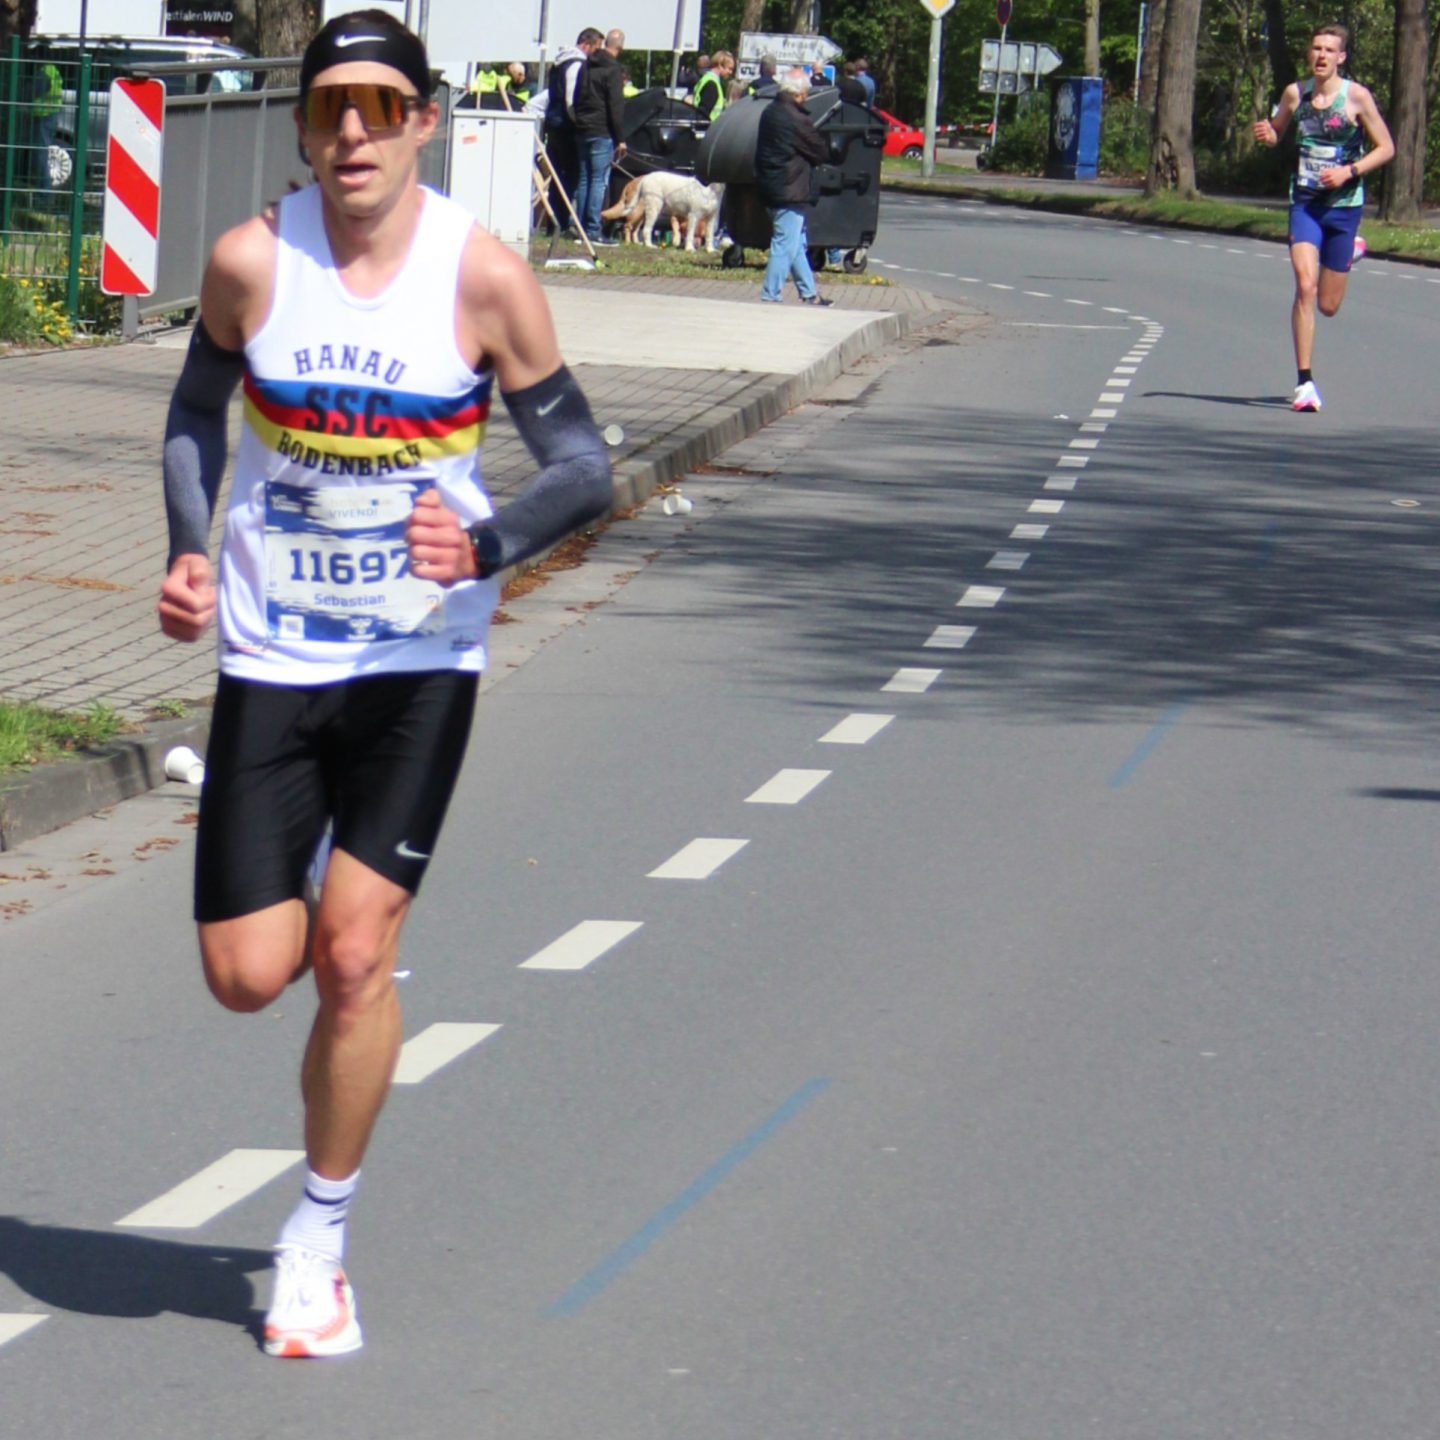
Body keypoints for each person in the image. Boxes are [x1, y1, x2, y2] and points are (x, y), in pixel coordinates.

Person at [155, 8, 612, 1358]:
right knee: (250, 976)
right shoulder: (251, 263)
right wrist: (189, 549)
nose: (352, 131)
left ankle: (320, 1240)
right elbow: (190, 412)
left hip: (420, 657)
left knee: (355, 956)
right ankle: (305, 878)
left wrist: (484, 539)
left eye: (379, 106)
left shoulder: (485, 282)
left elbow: (586, 466)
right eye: (329, 108)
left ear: (423, 122)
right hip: (274, 656)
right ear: (302, 128)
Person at [1252, 23, 1393, 413]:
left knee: (1329, 305)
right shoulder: (1295, 94)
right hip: (1306, 205)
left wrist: (1350, 171)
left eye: (1329, 50)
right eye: (1316, 48)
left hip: (1344, 207)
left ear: (1341, 58)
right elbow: (1277, 131)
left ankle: (1350, 251)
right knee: (1305, 286)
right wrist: (1267, 134)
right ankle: (1305, 383)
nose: (1320, 56)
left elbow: (1386, 148)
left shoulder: (1357, 98)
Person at [755, 66, 832, 307]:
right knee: (785, 244)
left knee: (796, 243)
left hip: (770, 183)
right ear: (800, 94)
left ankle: (809, 293)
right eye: (806, 92)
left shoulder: (770, 111)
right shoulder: (797, 119)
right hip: (791, 187)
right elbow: (820, 151)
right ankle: (771, 294)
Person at [543, 27, 602, 231]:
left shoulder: (559, 63)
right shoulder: (577, 65)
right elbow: (570, 98)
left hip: (553, 123)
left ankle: (554, 223)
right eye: (596, 48)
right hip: (565, 126)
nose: (596, 54)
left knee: (557, 177)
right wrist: (577, 122)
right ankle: (561, 221)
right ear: (586, 44)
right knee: (570, 176)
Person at [573, 27, 627, 246]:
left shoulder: (586, 65)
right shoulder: (613, 70)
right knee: (598, 180)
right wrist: (620, 137)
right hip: (602, 130)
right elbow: (615, 106)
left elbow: (577, 96)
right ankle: (594, 229)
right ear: (620, 47)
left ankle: (580, 227)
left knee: (584, 179)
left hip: (583, 129)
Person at [29, 58, 63, 196]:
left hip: (44, 115)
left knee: (40, 155)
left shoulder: (44, 73)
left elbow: (33, 92)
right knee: (41, 153)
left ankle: (45, 193)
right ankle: (44, 192)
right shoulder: (53, 70)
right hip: (51, 115)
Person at [689, 49, 734, 121]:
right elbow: (704, 112)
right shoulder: (712, 84)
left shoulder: (706, 78)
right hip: (709, 128)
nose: (730, 72)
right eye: (729, 68)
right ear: (720, 65)